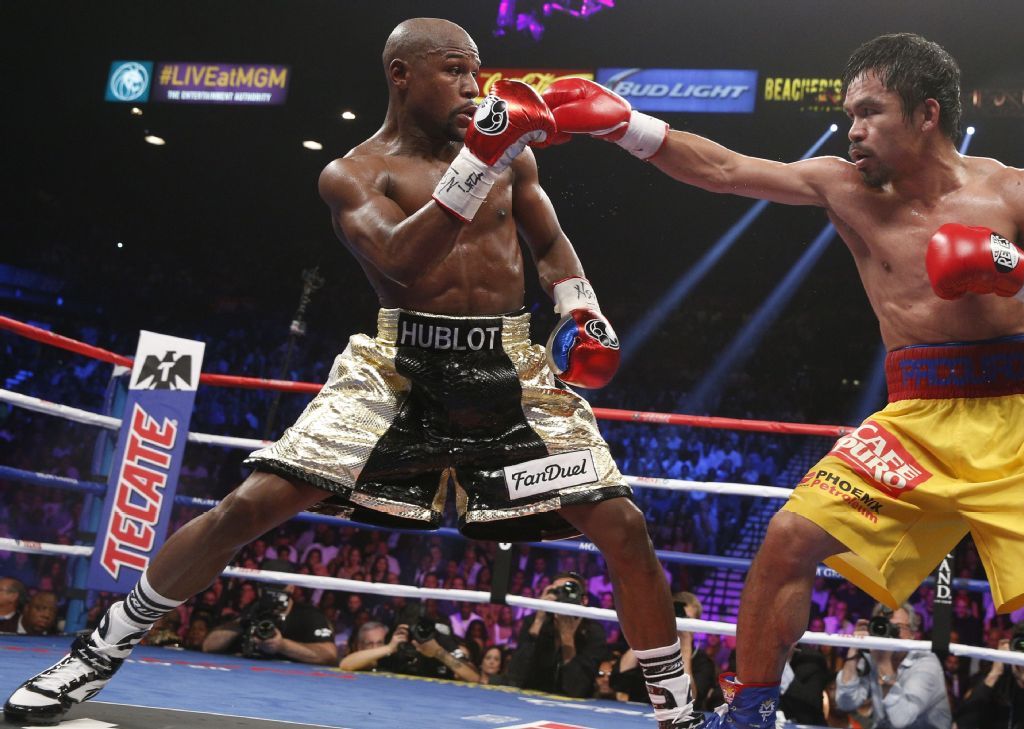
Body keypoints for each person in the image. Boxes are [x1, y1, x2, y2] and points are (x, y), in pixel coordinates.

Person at [4, 18, 698, 729]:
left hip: (509, 370)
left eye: (475, 70)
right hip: (397, 372)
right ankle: (94, 652)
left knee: (622, 525)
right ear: (402, 74)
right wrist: (477, 161)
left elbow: (548, 241)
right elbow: (401, 260)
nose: (472, 85)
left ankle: (679, 714)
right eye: (453, 69)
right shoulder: (354, 173)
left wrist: (580, 306)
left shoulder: (508, 155)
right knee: (245, 509)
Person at [539, 31, 1024, 729]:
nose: (852, 129)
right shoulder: (842, 185)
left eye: (870, 112)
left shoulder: (1013, 189)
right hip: (916, 416)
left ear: (927, 113)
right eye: (849, 113)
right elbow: (727, 169)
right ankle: (748, 714)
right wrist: (626, 125)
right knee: (789, 538)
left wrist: (1013, 268)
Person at [835, 603, 950, 729]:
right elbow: (845, 703)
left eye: (897, 627)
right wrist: (854, 650)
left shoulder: (926, 662)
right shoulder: (874, 655)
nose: (890, 633)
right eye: (884, 626)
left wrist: (884, 663)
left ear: (912, 634)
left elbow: (901, 719)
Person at [507, 573, 608, 698]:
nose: (562, 596)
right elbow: (515, 677)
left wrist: (567, 638)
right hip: (532, 697)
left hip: (571, 704)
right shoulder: (533, 622)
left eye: (569, 591)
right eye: (556, 591)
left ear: (584, 600)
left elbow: (577, 689)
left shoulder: (593, 632)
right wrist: (538, 622)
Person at [201, 576, 337, 666]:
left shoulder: (308, 614)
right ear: (260, 589)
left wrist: (282, 646)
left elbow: (329, 655)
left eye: (279, 589)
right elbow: (208, 646)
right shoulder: (254, 609)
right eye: (268, 589)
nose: (274, 595)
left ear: (291, 587)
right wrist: (242, 622)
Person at [339, 619, 480, 682]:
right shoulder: (396, 646)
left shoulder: (441, 642)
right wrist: (389, 648)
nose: (416, 637)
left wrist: (438, 653)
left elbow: (474, 677)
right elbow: (346, 664)